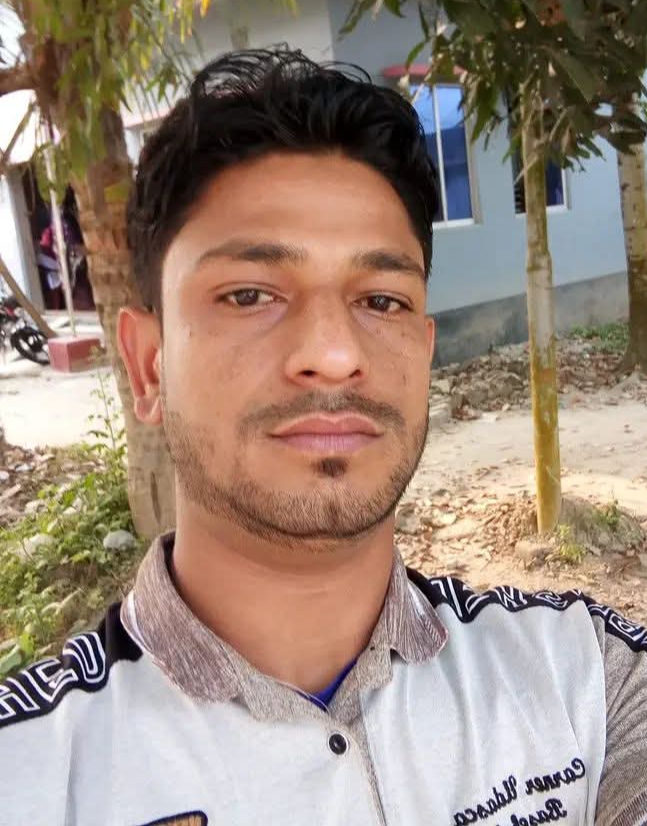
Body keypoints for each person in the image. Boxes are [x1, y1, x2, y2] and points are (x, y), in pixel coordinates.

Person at [0, 47, 645, 825]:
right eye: (249, 294)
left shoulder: (580, 678)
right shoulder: (31, 772)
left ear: (423, 352)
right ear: (147, 366)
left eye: (381, 300)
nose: (334, 354)